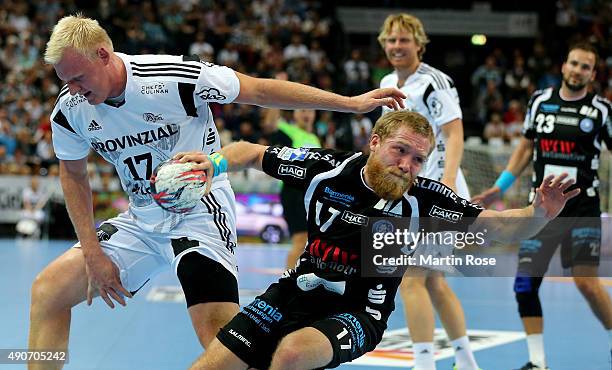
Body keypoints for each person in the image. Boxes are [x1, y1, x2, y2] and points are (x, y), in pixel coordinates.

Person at [28, 14, 406, 369]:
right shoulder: (70, 109)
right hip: (142, 218)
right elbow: (73, 175)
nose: (72, 89)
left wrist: (349, 104)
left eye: (77, 78)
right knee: (48, 292)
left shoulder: (175, 77)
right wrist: (93, 252)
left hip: (200, 211)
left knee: (222, 340)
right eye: (65, 81)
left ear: (103, 54)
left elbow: (259, 90)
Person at [182, 110, 579, 370]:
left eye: (418, 159)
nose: (407, 165)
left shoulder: (425, 200)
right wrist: (212, 163)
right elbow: (250, 152)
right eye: (399, 150)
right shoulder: (326, 170)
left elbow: (497, 225)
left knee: (289, 355)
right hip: (296, 290)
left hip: (359, 312)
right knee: (210, 365)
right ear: (374, 142)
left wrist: (537, 214)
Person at [473, 42, 612, 370]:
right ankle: (537, 362)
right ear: (563, 66)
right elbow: (524, 148)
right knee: (524, 283)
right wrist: (499, 187)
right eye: (573, 63)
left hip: (581, 209)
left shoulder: (601, 110)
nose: (577, 70)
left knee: (587, 284)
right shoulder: (539, 100)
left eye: (585, 67)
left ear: (592, 74)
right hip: (542, 210)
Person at [377, 13, 477, 370]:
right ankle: (466, 361)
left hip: (435, 192)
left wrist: (447, 185)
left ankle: (424, 364)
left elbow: (454, 134)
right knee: (432, 282)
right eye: (390, 40)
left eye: (403, 40)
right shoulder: (388, 82)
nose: (396, 46)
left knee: (411, 278)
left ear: (419, 44)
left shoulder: (434, 82)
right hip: (406, 194)